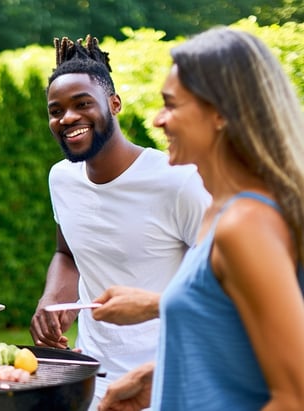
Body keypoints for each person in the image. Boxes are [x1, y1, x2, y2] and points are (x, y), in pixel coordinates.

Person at [96, 27, 304, 411]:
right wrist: (160, 374)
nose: (158, 120)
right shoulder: (220, 211)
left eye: (171, 105)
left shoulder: (246, 224)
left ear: (221, 112)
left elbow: (294, 398)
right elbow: (237, 335)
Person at [29, 35, 210, 410]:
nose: (68, 118)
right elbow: (67, 253)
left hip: (164, 381)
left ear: (114, 104)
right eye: (56, 110)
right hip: (92, 380)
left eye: (82, 104)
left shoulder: (177, 180)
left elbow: (222, 283)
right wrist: (52, 300)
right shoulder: (61, 177)